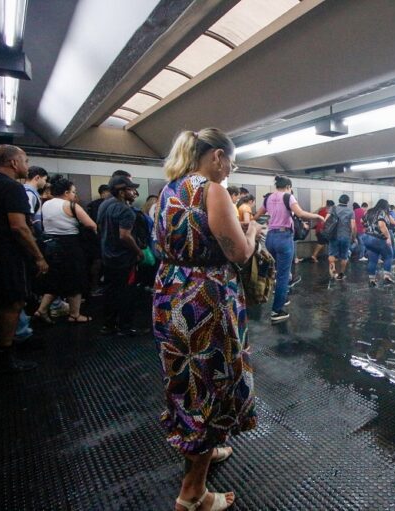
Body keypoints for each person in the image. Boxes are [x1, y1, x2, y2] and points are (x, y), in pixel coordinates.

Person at [153, 128, 259, 511]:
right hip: (205, 298)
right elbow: (239, 253)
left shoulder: (170, 190)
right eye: (231, 161)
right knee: (210, 387)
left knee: (186, 381)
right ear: (216, 156)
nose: (230, 169)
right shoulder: (212, 190)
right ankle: (193, 493)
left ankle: (204, 449)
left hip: (170, 291)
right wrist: (252, 231)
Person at [0, 145, 49, 373]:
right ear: (13, 163)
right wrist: (38, 257)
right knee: (13, 303)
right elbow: (19, 227)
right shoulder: (12, 188)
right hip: (7, 255)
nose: (26, 166)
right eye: (25, 161)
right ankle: (4, 354)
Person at [254, 176, 323, 323]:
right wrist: (317, 216)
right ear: (288, 186)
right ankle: (276, 311)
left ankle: (282, 297)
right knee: (284, 275)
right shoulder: (288, 197)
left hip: (270, 238)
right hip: (284, 237)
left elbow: (257, 216)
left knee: (279, 271)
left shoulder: (268, 198)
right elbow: (300, 214)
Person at [33, 175, 97, 324]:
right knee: (76, 279)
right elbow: (91, 224)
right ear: (66, 192)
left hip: (50, 245)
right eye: (73, 192)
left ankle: (41, 310)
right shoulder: (71, 205)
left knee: (55, 279)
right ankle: (75, 315)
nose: (74, 195)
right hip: (70, 245)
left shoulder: (46, 204)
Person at [97, 174, 144, 336]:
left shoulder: (104, 205)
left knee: (110, 292)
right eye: (131, 189)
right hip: (124, 259)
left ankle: (108, 325)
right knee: (126, 293)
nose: (134, 193)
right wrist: (138, 252)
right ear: (122, 192)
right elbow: (124, 235)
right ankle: (125, 327)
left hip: (107, 256)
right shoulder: (126, 210)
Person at [362, 199, 395, 286]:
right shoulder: (382, 212)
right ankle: (387, 277)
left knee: (373, 260)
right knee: (389, 255)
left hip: (367, 238)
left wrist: (368, 227)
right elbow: (381, 225)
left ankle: (372, 280)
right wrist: (388, 237)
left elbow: (362, 221)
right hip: (378, 238)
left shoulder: (369, 211)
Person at [328, 194, 356, 280]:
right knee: (344, 256)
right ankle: (341, 274)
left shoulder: (333, 209)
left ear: (339, 200)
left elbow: (326, 220)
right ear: (347, 201)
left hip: (333, 235)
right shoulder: (350, 211)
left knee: (332, 254)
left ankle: (333, 273)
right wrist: (353, 237)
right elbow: (353, 226)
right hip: (345, 236)